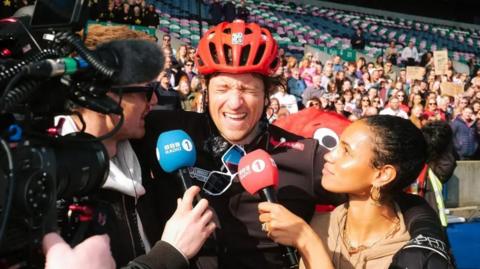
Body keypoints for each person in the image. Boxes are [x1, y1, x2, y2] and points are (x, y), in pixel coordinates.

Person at [133, 20, 453, 269]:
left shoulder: (307, 156)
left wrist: (428, 234)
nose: (235, 102)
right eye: (223, 88)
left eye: (249, 89)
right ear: (204, 88)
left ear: (269, 92)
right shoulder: (162, 129)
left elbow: (390, 190)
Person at [47, 25, 215, 268]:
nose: (155, 101)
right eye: (147, 91)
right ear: (104, 95)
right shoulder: (47, 181)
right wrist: (171, 253)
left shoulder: (140, 149)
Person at [257, 116, 454, 269]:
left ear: (383, 174)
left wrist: (308, 242)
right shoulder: (321, 224)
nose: (329, 155)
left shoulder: (414, 254)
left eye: (346, 151)